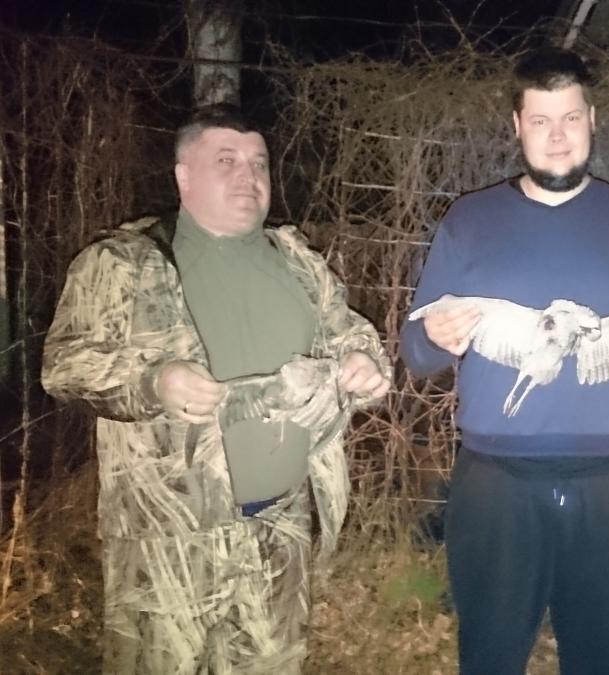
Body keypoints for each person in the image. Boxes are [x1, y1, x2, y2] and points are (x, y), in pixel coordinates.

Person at [41, 104, 391, 674]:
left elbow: (350, 333)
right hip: (169, 538)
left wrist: (362, 362)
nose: (247, 176)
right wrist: (154, 381)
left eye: (258, 163)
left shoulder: (298, 262)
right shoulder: (122, 263)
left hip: (282, 522)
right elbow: (64, 364)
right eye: (225, 161)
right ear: (184, 176)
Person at [400, 48, 609, 675]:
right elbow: (417, 352)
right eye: (540, 120)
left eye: (570, 118)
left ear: (593, 118)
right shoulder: (471, 218)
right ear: (517, 126)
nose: (557, 135)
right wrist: (434, 336)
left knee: (600, 656)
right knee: (490, 654)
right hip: (495, 482)